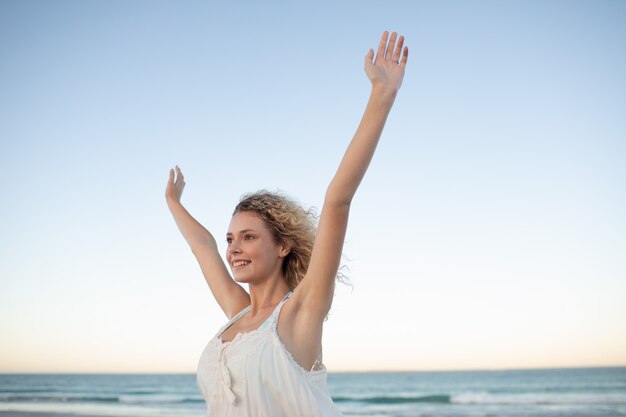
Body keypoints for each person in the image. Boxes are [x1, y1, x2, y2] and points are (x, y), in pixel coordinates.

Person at [165, 31, 409, 417]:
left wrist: (382, 95)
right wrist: (172, 203)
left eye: (248, 237)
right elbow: (203, 247)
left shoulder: (301, 311)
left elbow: (337, 200)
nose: (234, 249)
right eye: (232, 238)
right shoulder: (238, 312)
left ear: (283, 245)